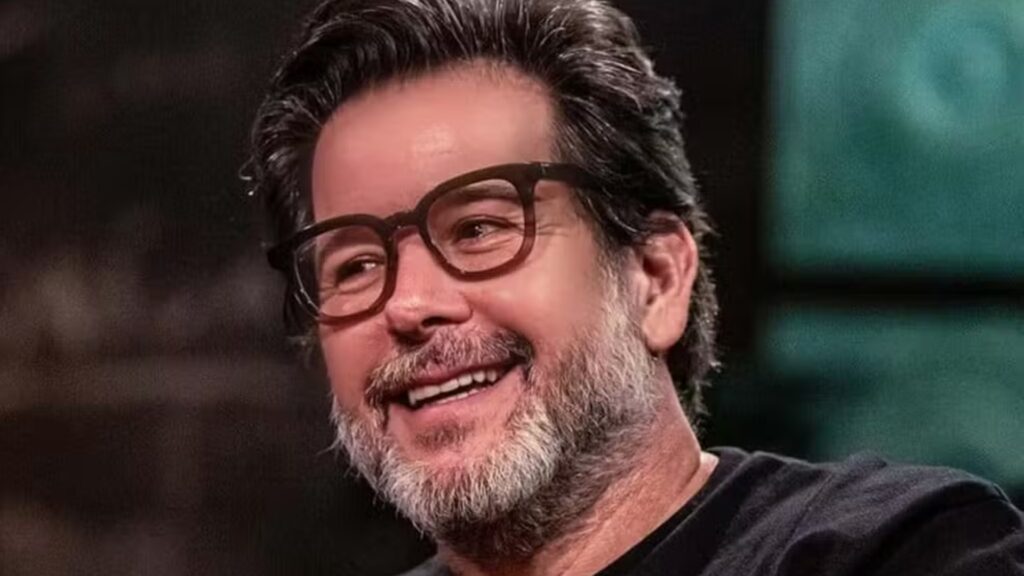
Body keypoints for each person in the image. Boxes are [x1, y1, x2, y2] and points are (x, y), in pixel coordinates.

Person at [244, 0, 1024, 574]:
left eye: (478, 228)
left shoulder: (895, 554)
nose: (408, 304)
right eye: (354, 267)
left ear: (655, 279)